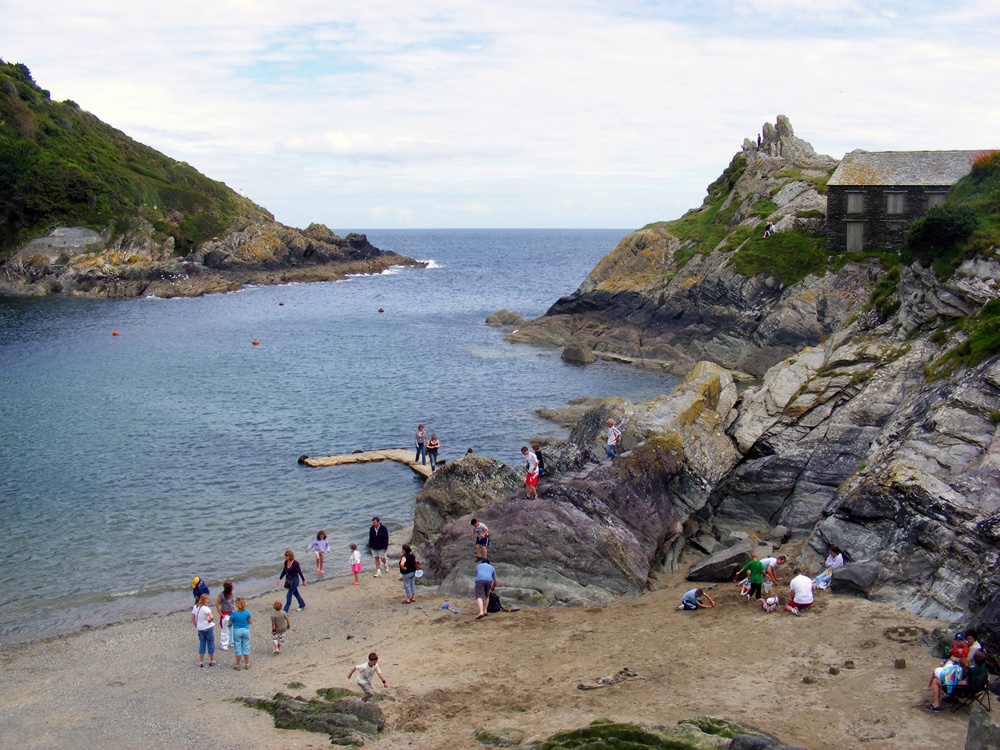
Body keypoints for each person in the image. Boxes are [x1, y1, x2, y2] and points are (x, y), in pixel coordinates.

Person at [191, 592, 216, 666]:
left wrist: (196, 625)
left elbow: (193, 618)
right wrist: (209, 620)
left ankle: (201, 661)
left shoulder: (195, 607)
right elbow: (211, 617)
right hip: (207, 627)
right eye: (207, 599)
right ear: (204, 600)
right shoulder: (206, 608)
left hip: (200, 628)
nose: (208, 601)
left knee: (202, 644)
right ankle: (211, 660)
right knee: (210, 643)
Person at [229, 597, 252, 670]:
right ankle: (247, 663)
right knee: (246, 646)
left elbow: (230, 623)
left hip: (237, 630)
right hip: (245, 630)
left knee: (238, 647)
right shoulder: (247, 612)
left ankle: (238, 664)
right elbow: (250, 622)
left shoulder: (234, 614)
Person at [216, 580, 235, 651]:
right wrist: (220, 614)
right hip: (225, 613)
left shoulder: (231, 594)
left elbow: (232, 604)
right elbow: (217, 605)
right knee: (225, 630)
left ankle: (232, 642)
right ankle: (224, 644)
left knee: (233, 628)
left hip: (232, 612)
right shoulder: (221, 595)